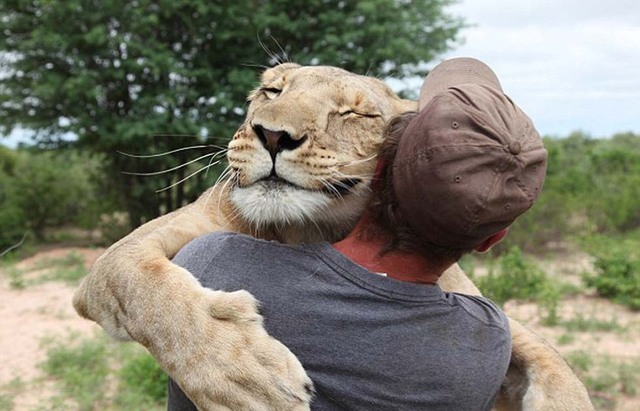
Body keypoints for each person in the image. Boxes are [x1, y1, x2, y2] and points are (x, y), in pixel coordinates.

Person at [166, 57, 547, 410]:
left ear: (381, 168)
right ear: (492, 239)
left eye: (357, 113)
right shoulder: (487, 341)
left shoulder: (214, 262)